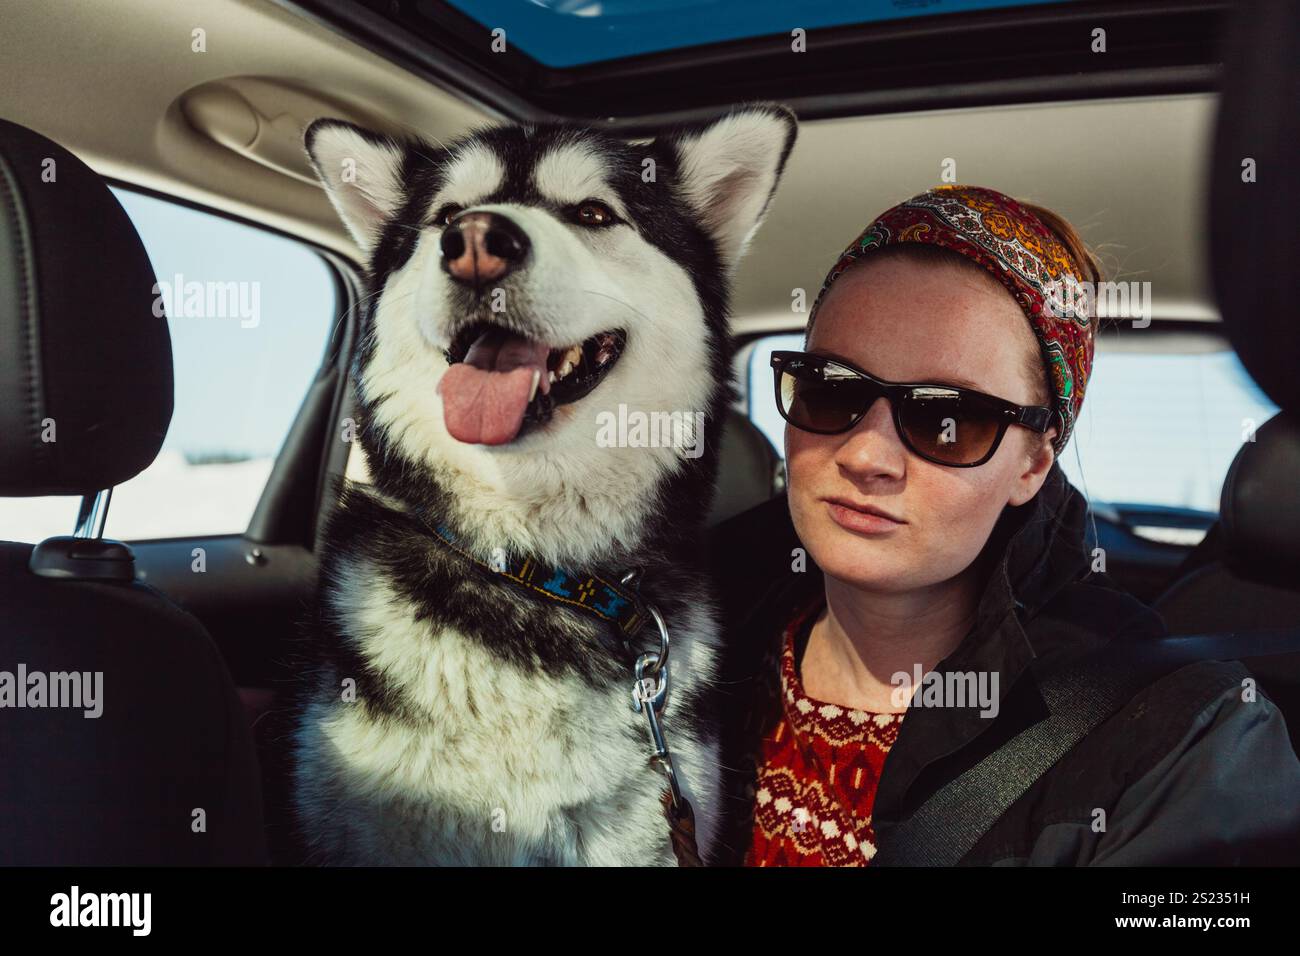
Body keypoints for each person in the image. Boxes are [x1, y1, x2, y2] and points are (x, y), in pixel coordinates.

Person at [705, 185, 1300, 866]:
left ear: (1033, 464)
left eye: (946, 419)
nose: (866, 456)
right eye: (831, 388)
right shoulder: (659, 639)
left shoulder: (1183, 742)